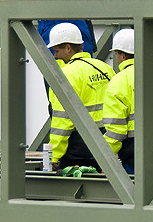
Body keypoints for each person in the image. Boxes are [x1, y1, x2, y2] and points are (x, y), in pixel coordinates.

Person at [101, 29, 153, 175]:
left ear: (122, 55)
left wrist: (105, 157)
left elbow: (116, 130)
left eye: (116, 54)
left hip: (135, 150)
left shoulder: (119, 81)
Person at [45, 22, 115, 172]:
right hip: (106, 144)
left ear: (68, 48)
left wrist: (54, 156)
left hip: (78, 148)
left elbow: (62, 121)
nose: (55, 55)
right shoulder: (105, 68)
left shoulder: (65, 75)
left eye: (57, 50)